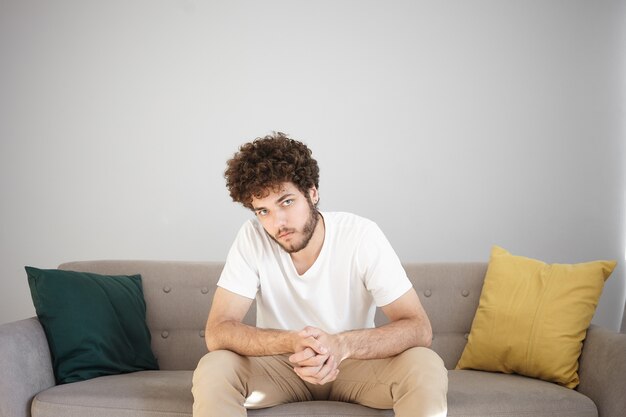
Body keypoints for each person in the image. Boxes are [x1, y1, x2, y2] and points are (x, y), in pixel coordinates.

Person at [192, 132, 448, 417]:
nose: (278, 223)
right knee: (214, 367)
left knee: (424, 363)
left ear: (312, 193)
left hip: (354, 365)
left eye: (286, 202)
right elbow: (218, 331)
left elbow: (418, 327)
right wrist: (291, 341)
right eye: (263, 211)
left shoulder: (361, 235)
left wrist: (341, 345)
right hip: (281, 367)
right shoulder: (252, 237)